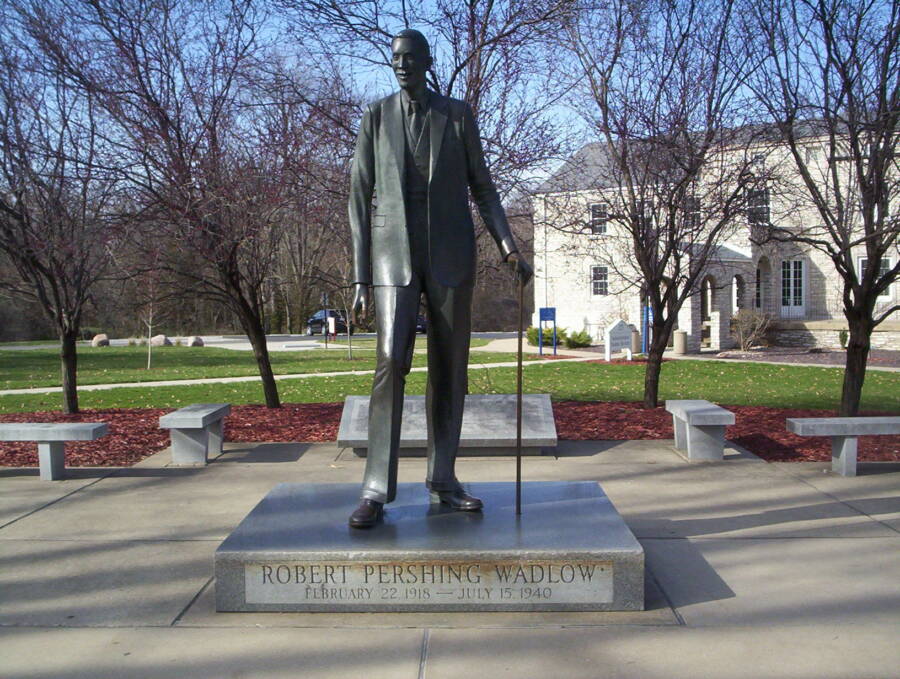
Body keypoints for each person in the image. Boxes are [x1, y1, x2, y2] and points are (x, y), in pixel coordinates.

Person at [347, 28, 532, 528]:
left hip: (451, 254)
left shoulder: (457, 115)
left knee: (450, 368)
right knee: (390, 362)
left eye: (411, 58)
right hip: (392, 259)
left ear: (428, 62)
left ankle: (444, 478)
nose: (403, 65)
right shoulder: (376, 116)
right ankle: (375, 488)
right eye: (396, 59)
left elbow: (484, 187)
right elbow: (358, 201)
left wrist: (509, 246)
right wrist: (360, 277)